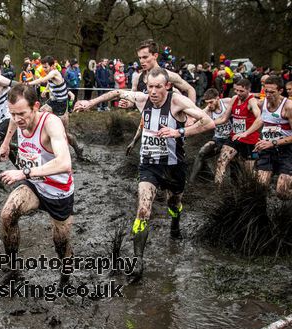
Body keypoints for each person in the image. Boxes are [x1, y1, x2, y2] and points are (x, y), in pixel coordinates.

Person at [74, 67, 215, 281]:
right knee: (143, 210)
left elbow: (208, 122)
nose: (153, 91)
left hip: (173, 165)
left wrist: (179, 132)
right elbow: (117, 93)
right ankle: (138, 261)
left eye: (158, 87)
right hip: (149, 165)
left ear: (167, 86)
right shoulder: (142, 100)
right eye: (150, 86)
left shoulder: (177, 102)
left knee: (173, 203)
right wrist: (90, 103)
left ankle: (175, 223)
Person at [0, 84, 74, 284]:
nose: (17, 119)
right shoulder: (18, 119)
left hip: (58, 191)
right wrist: (6, 143)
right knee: (7, 214)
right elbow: (13, 123)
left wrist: (23, 172)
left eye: (22, 113)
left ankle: (65, 278)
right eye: (13, 114)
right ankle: (13, 269)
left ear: (36, 107)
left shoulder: (51, 124)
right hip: (34, 185)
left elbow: (65, 163)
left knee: (61, 244)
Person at [123, 39, 197, 156]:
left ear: (155, 56)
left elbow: (190, 89)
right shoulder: (138, 78)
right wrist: (128, 103)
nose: (142, 61)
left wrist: (191, 116)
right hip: (149, 124)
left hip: (171, 124)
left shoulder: (169, 75)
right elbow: (133, 99)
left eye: (145, 57)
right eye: (140, 58)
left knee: (173, 160)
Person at [26, 56, 85, 160]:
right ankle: (38, 145)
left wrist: (28, 83)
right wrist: (46, 90)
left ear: (52, 66)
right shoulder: (51, 74)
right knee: (38, 114)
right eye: (43, 67)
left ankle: (77, 149)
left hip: (61, 106)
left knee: (65, 134)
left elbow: (43, 79)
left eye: (46, 67)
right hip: (53, 102)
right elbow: (49, 81)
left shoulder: (55, 72)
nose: (44, 69)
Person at [212, 78, 263, 185]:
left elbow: (260, 118)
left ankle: (254, 191)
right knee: (222, 161)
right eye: (236, 90)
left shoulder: (252, 101)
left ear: (248, 90)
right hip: (234, 137)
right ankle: (217, 189)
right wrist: (208, 124)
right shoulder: (234, 98)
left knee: (249, 173)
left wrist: (246, 133)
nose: (238, 93)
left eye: (241, 91)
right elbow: (224, 118)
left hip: (249, 140)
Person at [254, 75, 292, 199]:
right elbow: (260, 121)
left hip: (286, 150)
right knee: (260, 188)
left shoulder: (288, 107)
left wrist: (273, 142)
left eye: (272, 92)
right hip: (267, 149)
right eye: (266, 91)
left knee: (282, 193)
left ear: (281, 91)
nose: (268, 95)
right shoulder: (263, 102)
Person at [189, 88, 232, 183]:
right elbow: (197, 117)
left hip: (231, 138)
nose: (209, 105)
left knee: (228, 161)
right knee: (202, 152)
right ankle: (191, 181)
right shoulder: (208, 109)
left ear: (217, 98)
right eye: (207, 103)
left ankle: (229, 183)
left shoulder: (227, 102)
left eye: (211, 102)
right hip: (218, 139)